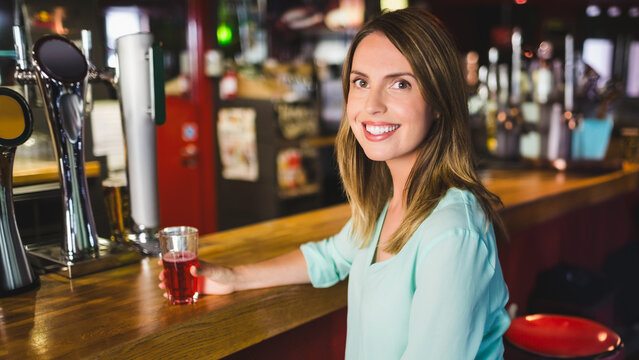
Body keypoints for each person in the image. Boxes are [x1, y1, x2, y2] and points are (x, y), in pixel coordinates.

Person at [159, 8, 510, 359]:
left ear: (439, 101)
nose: (372, 105)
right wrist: (233, 277)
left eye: (400, 83)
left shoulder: (452, 232)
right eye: (361, 82)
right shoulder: (390, 201)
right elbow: (329, 257)